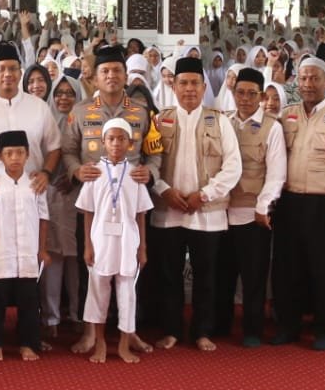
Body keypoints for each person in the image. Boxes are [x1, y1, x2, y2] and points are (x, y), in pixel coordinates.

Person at [147, 55, 242, 351]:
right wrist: (164, 190)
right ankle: (172, 330)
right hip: (168, 211)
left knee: (206, 276)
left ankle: (202, 331)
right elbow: (149, 164)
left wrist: (205, 194)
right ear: (174, 86)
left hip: (207, 212)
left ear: (203, 87)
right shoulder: (159, 120)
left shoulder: (220, 120)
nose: (189, 89)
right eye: (183, 83)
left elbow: (233, 166)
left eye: (194, 83)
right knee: (169, 275)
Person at [271, 58, 325, 352]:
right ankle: (288, 326)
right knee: (287, 268)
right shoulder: (287, 114)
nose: (308, 84)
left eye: (314, 79)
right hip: (289, 201)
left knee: (324, 270)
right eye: (304, 79)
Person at [75, 117, 151, 364]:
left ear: (130, 144)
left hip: (128, 240)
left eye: (121, 139)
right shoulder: (95, 173)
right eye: (111, 139)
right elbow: (87, 212)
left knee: (127, 292)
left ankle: (123, 345)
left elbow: (141, 213)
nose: (116, 143)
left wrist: (143, 248)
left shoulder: (136, 174)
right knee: (98, 290)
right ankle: (100, 344)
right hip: (100, 240)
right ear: (103, 142)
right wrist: (87, 244)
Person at [223, 67, 284, 348]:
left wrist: (263, 207)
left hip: (253, 214)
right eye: (240, 93)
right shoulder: (224, 122)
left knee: (254, 277)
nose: (244, 99)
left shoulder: (273, 127)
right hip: (222, 212)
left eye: (251, 94)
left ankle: (252, 330)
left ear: (261, 96)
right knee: (223, 273)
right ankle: (219, 325)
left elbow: (276, 174)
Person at [0, 129, 49, 361]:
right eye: (9, 153)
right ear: (0, 156)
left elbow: (43, 218)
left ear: (28, 154)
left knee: (29, 302)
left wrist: (42, 249)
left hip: (28, 253)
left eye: (20, 152)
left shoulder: (35, 184)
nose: (15, 158)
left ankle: (29, 344)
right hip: (0, 252)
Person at [40, 75, 83, 342]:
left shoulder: (83, 120)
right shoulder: (46, 122)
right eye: (59, 93)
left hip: (79, 195)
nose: (64, 97)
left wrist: (75, 175)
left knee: (77, 260)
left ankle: (78, 315)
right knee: (53, 258)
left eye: (70, 92)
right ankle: (51, 317)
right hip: (50, 196)